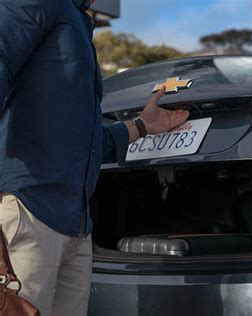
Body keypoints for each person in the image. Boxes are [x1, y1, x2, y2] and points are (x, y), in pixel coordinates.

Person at [0, 0, 189, 315]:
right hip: (29, 214)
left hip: (77, 230)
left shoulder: (76, 21)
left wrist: (142, 126)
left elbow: (80, 144)